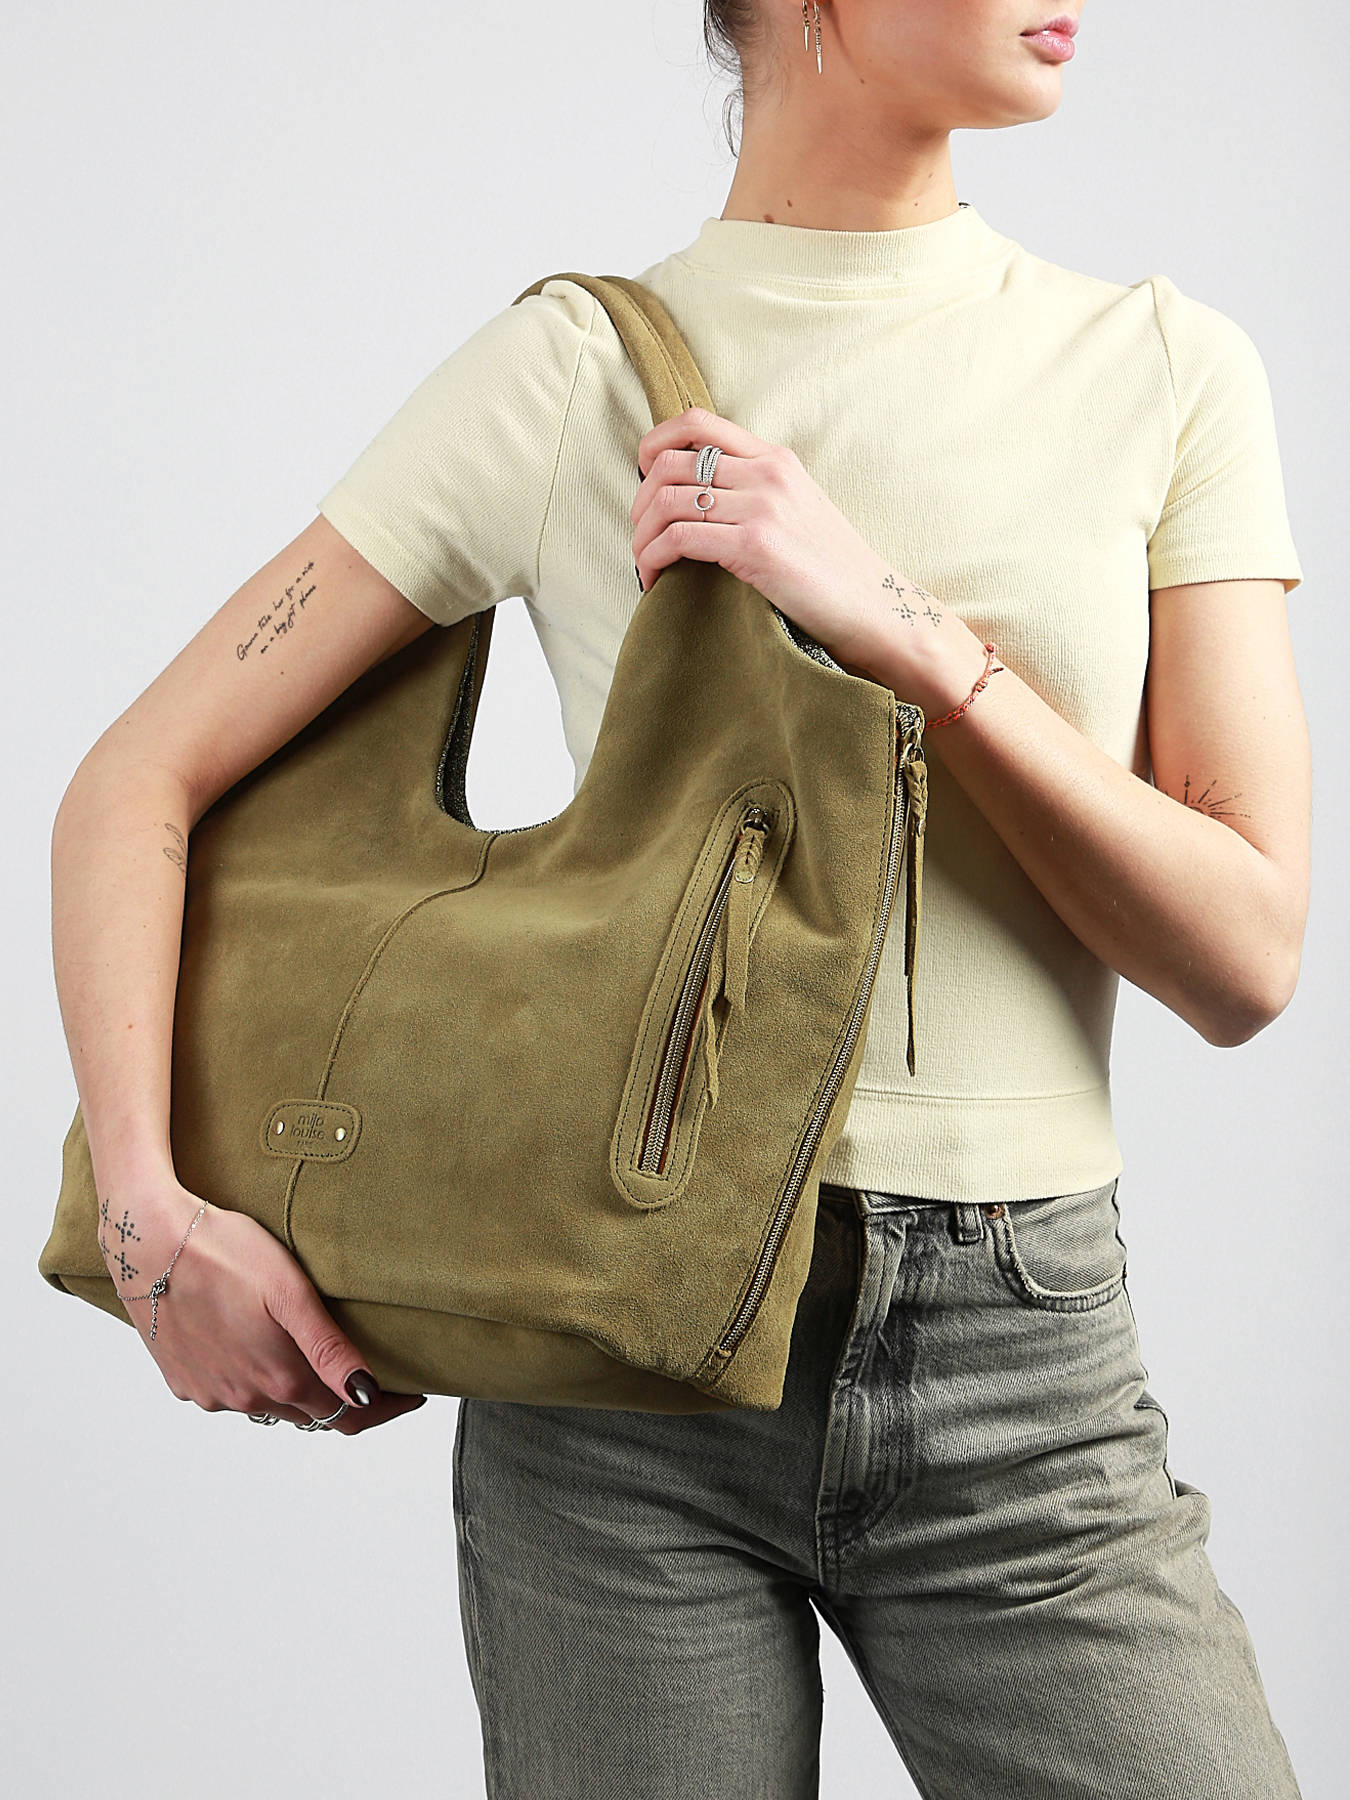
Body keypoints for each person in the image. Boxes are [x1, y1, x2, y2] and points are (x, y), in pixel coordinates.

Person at [48, 2, 1310, 1795]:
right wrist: (150, 1221)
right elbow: (136, 780)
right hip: (610, 1372)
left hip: (1021, 1366)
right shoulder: (577, 369)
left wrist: (898, 625)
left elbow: (1246, 955)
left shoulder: (1161, 367)